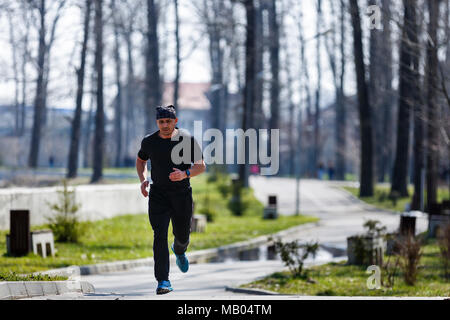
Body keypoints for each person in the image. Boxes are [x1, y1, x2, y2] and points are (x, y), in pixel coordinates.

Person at [135, 105, 206, 295]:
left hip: (181, 193)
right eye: (161, 122)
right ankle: (163, 280)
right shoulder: (149, 141)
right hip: (158, 194)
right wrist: (143, 180)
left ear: (176, 121)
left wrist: (185, 174)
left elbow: (201, 166)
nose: (164, 125)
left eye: (168, 121)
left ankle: (179, 249)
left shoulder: (187, 140)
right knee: (159, 235)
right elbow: (141, 160)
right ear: (157, 123)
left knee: (182, 234)